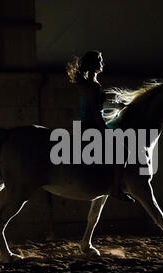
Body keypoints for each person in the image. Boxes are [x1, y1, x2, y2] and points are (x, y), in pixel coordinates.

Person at [66, 50, 133, 202]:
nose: (102, 63)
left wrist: (116, 105)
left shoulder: (89, 84)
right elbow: (96, 114)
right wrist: (107, 133)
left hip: (84, 125)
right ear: (92, 64)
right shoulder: (93, 86)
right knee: (122, 151)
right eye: (100, 60)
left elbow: (95, 106)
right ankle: (116, 189)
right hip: (90, 127)